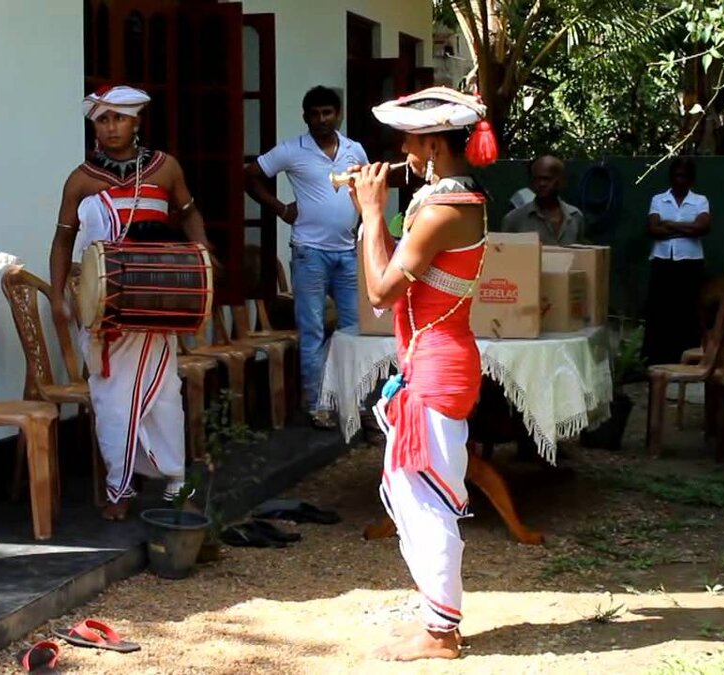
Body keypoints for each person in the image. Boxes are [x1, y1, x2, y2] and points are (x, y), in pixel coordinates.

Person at [351, 86, 498, 661]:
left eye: (411, 142)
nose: (404, 152)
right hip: (437, 361)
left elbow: (381, 291)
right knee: (418, 494)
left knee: (427, 500)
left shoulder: (442, 210)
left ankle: (440, 633)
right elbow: (393, 270)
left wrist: (369, 214)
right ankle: (436, 621)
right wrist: (377, 217)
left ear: (435, 143)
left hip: (436, 369)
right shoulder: (449, 202)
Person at [49, 85, 217, 522]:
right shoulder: (82, 179)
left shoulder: (165, 169)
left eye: (119, 118)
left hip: (156, 302)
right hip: (105, 310)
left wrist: (203, 256)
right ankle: (119, 488)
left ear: (136, 121)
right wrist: (56, 296)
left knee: (163, 394)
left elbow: (190, 213)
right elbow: (63, 239)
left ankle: (176, 484)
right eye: (103, 120)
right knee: (112, 400)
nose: (110, 127)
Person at [244, 85, 368, 429]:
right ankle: (317, 404)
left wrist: (368, 226)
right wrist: (282, 209)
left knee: (353, 329)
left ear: (338, 114)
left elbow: (369, 188)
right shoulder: (292, 150)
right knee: (312, 330)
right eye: (314, 114)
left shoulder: (354, 150)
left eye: (327, 112)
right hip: (309, 252)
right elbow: (250, 176)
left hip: (346, 251)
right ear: (305, 117)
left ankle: (350, 399)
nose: (321, 119)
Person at [642, 156, 711, 367]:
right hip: (663, 262)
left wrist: (670, 224)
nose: (679, 180)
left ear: (691, 179)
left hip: (690, 264)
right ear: (671, 177)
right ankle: (657, 358)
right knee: (661, 310)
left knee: (687, 311)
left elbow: (702, 228)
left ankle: (686, 358)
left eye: (684, 176)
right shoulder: (658, 199)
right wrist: (686, 229)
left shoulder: (700, 201)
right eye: (676, 175)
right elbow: (653, 229)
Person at [500, 155, 584, 245]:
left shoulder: (575, 217)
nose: (541, 184)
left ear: (560, 181)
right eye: (536, 179)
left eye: (547, 179)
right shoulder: (514, 219)